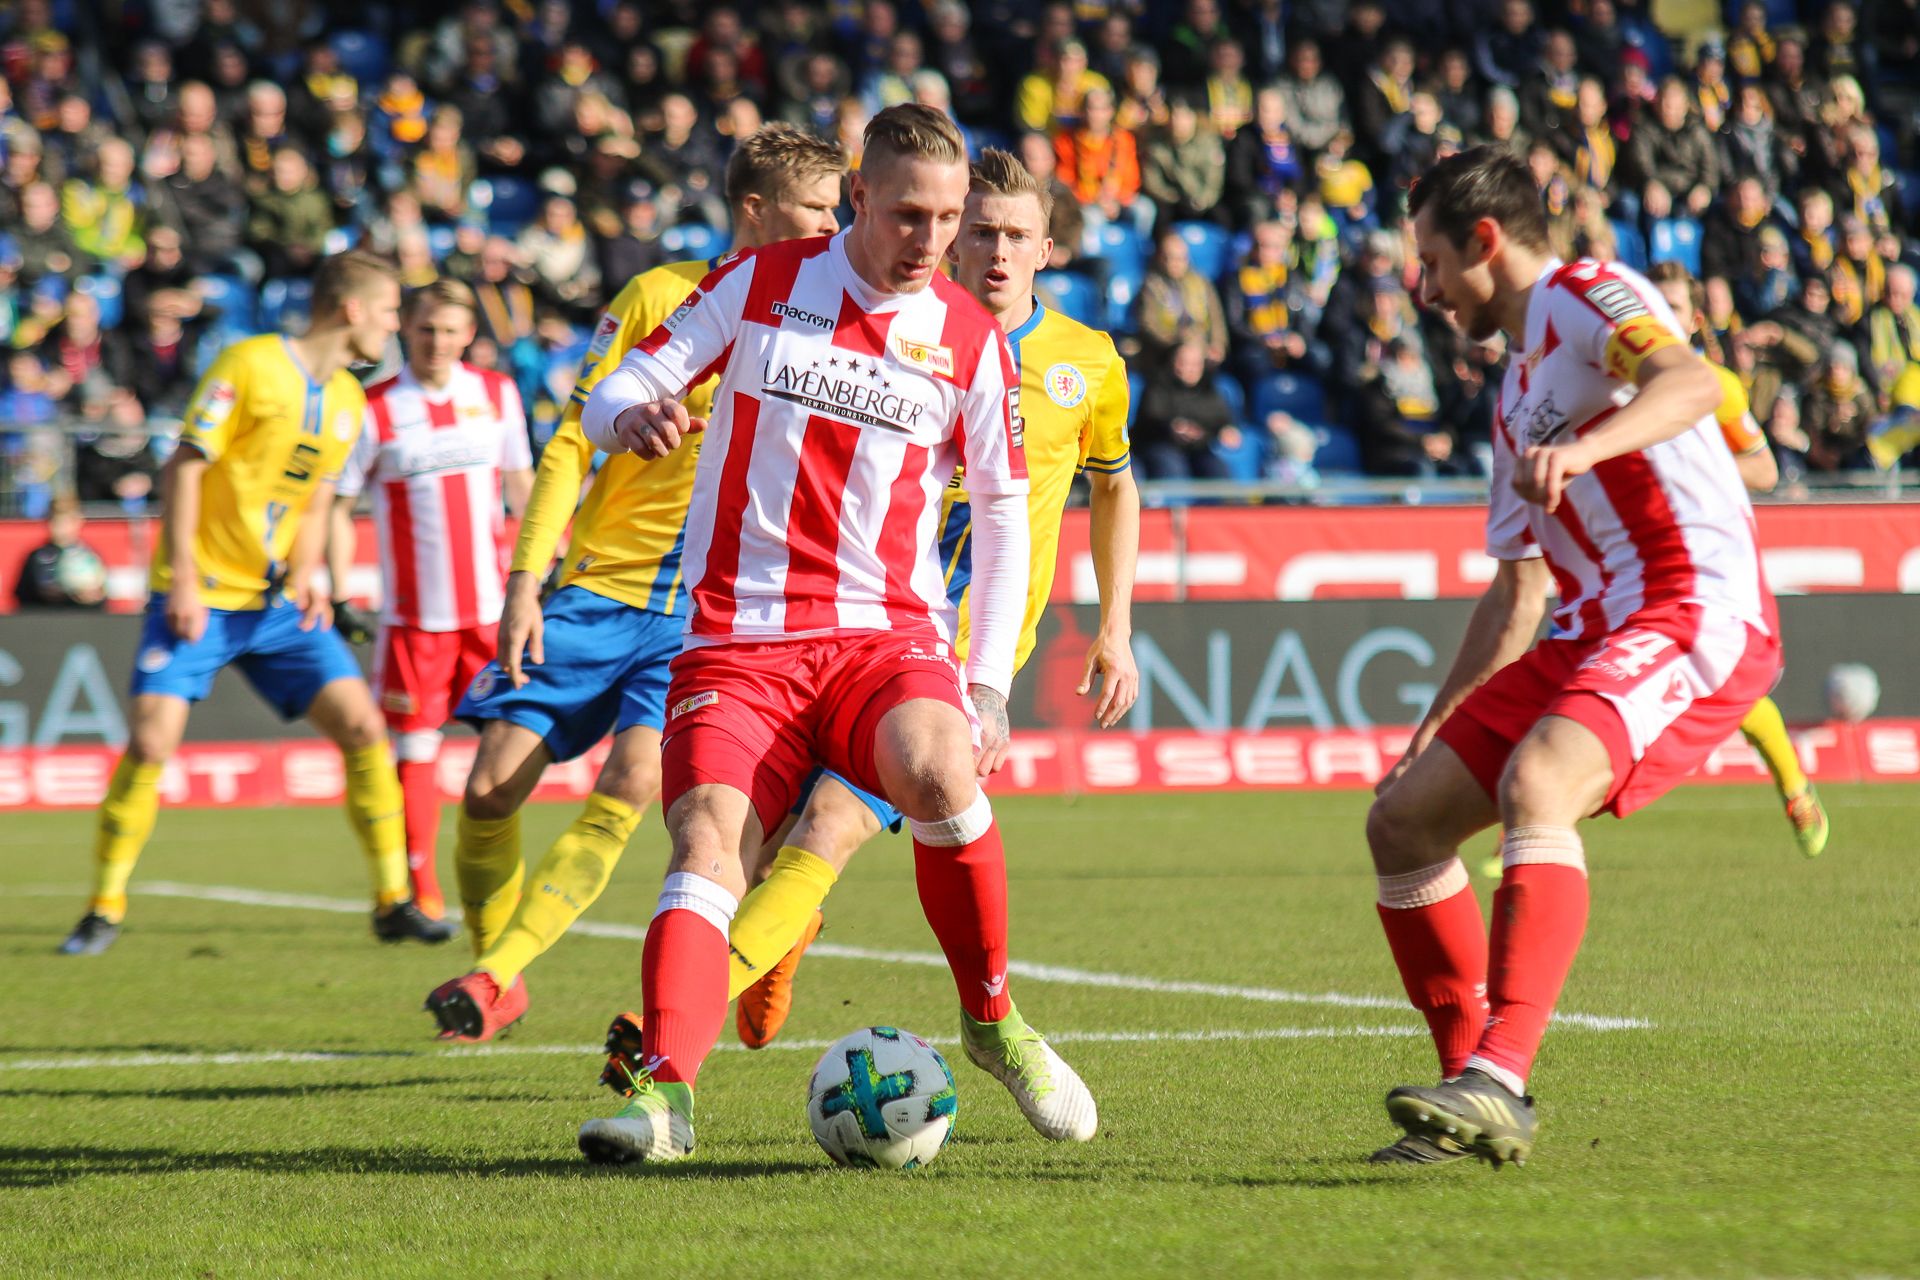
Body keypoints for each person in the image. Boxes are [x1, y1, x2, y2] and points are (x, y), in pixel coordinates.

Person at [575, 105, 1095, 1163]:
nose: (934, 239)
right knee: (708, 838)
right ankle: (665, 1098)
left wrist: (986, 681)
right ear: (859, 197)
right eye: (910, 212)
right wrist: (631, 416)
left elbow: (1000, 515)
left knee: (946, 769)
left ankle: (992, 1018)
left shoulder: (969, 337)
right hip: (739, 637)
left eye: (949, 218)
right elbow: (623, 383)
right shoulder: (761, 286)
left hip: (881, 636)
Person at [1366, 147, 1779, 1166]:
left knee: (1538, 778)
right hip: (1587, 628)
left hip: (1692, 605)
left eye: (1430, 261)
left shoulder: (1587, 292)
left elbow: (1687, 380)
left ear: (1486, 241)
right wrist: (1433, 725)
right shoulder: (1512, 398)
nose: (1423, 287)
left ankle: (1498, 1077)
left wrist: (1589, 449)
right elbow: (1518, 588)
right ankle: (1471, 1099)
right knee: (1404, 820)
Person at [418, 125, 848, 1042]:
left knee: (633, 785)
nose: (834, 224)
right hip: (597, 590)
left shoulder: (831, 321)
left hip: (703, 613)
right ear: (755, 210)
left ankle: (494, 978)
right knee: (491, 789)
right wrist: (526, 581)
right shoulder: (662, 296)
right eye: (817, 208)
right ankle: (502, 961)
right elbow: (574, 439)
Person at [58, 251, 453, 957]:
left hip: (276, 607)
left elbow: (318, 497)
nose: (395, 326)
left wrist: (309, 573)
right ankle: (103, 906)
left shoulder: (347, 399)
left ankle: (394, 899)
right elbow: (186, 464)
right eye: (392, 311)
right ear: (352, 309)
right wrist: (180, 576)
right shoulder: (249, 363)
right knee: (152, 742)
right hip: (202, 593)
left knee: (364, 727)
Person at [324, 280, 534, 920]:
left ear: (469, 333)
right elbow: (336, 505)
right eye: (424, 330)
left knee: (512, 747)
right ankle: (422, 891)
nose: (437, 342)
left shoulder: (495, 394)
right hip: (414, 620)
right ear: (403, 331)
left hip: (494, 616)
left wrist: (543, 566)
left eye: (449, 330)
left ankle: (499, 885)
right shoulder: (375, 406)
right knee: (415, 751)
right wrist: (337, 589)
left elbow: (523, 484)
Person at [1647, 261, 1830, 858]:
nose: (1659, 317)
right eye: (1651, 304)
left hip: (1699, 566)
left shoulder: (1716, 387)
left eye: (1673, 307)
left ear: (1694, 319)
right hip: (1633, 560)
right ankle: (1527, 827)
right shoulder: (1613, 386)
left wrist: (1696, 471)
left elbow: (1765, 469)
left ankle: (1795, 786)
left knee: (1732, 691)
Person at [13, 493, 107, 609]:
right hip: (48, 619)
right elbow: (23, 595)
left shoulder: (89, 556)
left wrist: (92, 596)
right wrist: (61, 594)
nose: (61, 528)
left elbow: (102, 594)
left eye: (66, 522)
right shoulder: (37, 557)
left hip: (82, 620)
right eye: (56, 522)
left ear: (78, 522)